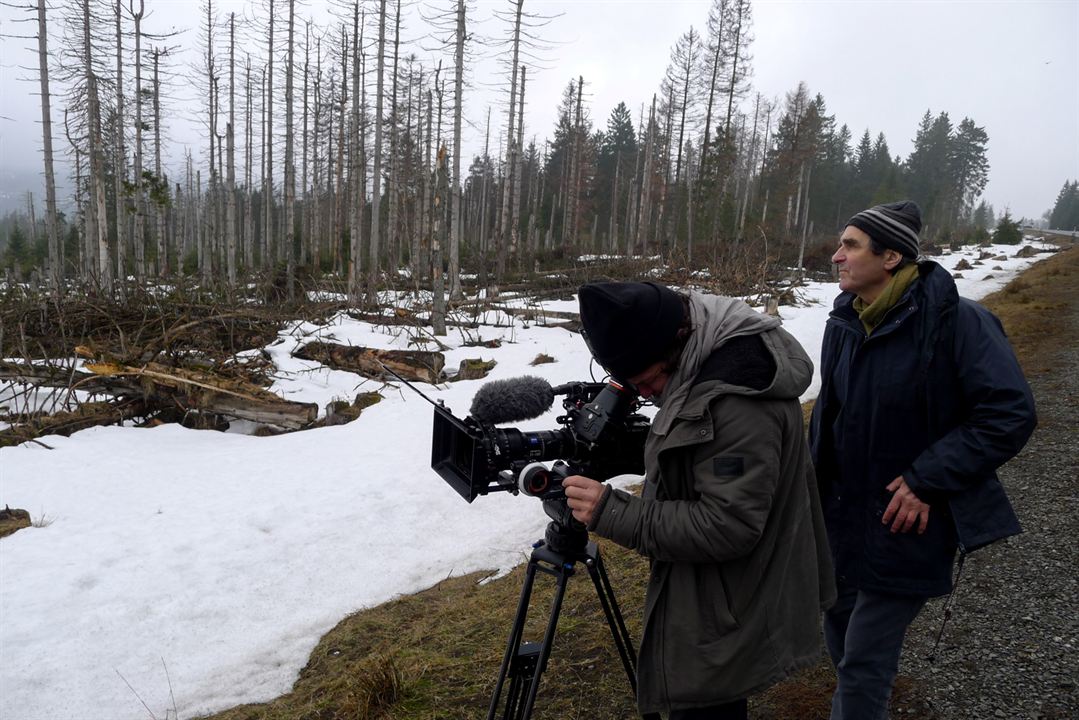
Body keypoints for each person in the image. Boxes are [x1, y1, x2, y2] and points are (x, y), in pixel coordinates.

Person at [561, 281, 835, 720]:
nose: (647, 395)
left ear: (677, 344)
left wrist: (611, 511)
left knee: (710, 705)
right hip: (717, 593)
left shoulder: (736, 398)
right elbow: (704, 450)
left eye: (650, 382)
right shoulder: (703, 351)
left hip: (729, 602)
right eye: (634, 386)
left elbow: (728, 525)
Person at [808, 200, 1037, 719]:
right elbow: (831, 415)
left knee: (866, 660)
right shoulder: (845, 321)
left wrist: (925, 479)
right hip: (842, 517)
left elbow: (1009, 413)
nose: (837, 256)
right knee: (842, 640)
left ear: (891, 257)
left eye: (850, 246)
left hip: (906, 519)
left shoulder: (959, 322)